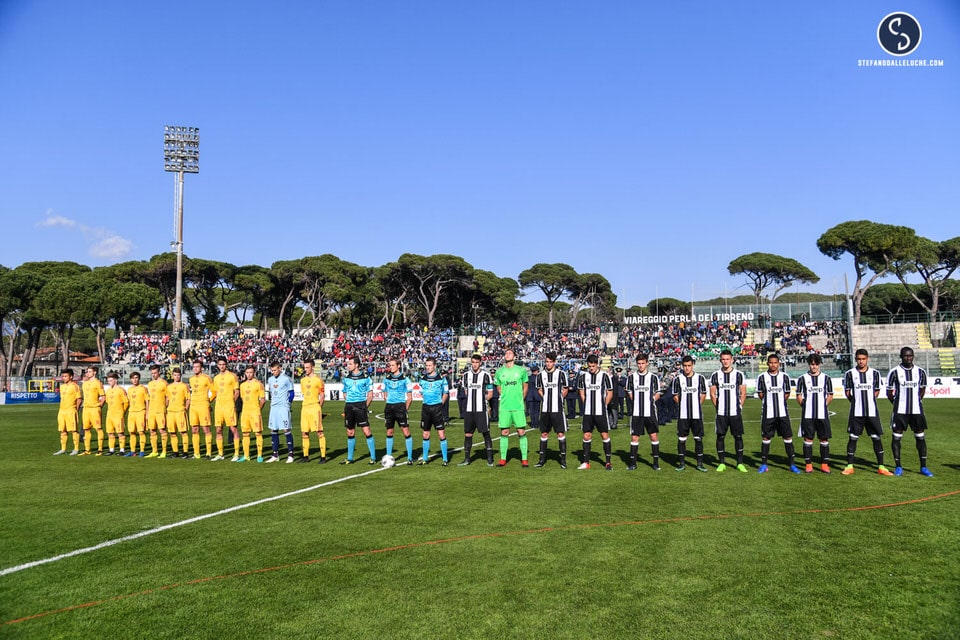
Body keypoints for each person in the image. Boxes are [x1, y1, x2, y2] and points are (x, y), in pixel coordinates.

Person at [841, 349, 893, 475]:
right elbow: (848, 392)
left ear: (867, 359)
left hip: (871, 412)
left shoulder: (875, 373)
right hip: (856, 412)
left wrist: (869, 400)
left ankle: (881, 466)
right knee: (853, 438)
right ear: (856, 359)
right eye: (859, 359)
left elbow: (876, 391)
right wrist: (856, 402)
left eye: (863, 359)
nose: (861, 361)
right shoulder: (850, 374)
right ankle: (849, 466)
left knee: (876, 438)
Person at [887, 346, 933, 477]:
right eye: (906, 356)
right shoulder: (894, 372)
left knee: (920, 437)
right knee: (896, 437)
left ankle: (923, 467)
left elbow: (922, 390)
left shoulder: (920, 372)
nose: (909, 358)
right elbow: (889, 392)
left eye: (911, 355)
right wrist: (896, 403)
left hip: (916, 411)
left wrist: (917, 401)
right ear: (901, 357)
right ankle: (898, 466)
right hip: (900, 411)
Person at [755, 354, 801, 474]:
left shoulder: (785, 377)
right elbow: (761, 394)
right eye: (771, 362)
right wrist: (768, 402)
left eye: (775, 362)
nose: (773, 365)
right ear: (767, 363)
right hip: (768, 413)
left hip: (782, 413)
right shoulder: (762, 377)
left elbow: (786, 394)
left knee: (788, 437)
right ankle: (764, 464)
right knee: (766, 437)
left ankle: (792, 464)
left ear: (779, 364)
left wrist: (779, 402)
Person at [709, 349, 748, 473]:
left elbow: (743, 393)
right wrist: (717, 407)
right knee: (720, 436)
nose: (725, 361)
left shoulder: (739, 375)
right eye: (723, 359)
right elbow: (712, 394)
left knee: (738, 437)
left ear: (732, 360)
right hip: (721, 413)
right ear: (721, 360)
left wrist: (740, 407)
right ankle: (721, 463)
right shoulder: (715, 375)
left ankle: (740, 463)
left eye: (727, 359)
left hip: (735, 412)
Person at [795, 353, 834, 473]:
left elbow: (830, 395)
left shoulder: (826, 378)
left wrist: (823, 405)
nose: (814, 367)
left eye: (816, 364)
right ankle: (808, 464)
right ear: (809, 365)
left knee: (824, 439)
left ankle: (824, 464)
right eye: (812, 364)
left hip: (822, 414)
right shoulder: (802, 379)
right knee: (808, 439)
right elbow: (798, 395)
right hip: (808, 415)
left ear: (819, 364)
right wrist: (805, 405)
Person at [577, 354, 613, 470]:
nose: (591, 368)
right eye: (589, 366)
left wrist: (604, 405)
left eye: (593, 366)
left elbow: (610, 392)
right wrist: (585, 402)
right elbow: (582, 392)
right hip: (588, 412)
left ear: (597, 365)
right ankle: (586, 462)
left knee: (604, 435)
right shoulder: (583, 376)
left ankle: (608, 462)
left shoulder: (604, 376)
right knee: (586, 435)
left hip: (600, 411)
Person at [495, 348, 530, 467]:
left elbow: (525, 386)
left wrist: (521, 398)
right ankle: (503, 459)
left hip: (518, 406)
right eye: (506, 353)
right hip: (505, 406)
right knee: (504, 432)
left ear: (514, 357)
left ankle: (524, 459)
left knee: (521, 431)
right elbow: (498, 386)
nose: (507, 354)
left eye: (510, 353)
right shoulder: (499, 372)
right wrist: (504, 395)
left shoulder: (521, 371)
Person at [533, 352, 569, 468]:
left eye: (550, 362)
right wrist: (545, 397)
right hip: (545, 410)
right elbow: (539, 389)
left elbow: (566, 389)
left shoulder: (561, 374)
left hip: (557, 409)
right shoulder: (540, 375)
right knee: (544, 433)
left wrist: (560, 398)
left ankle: (563, 461)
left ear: (554, 362)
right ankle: (541, 460)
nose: (548, 364)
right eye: (546, 362)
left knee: (560, 433)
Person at [672, 355, 707, 472]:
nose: (687, 368)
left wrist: (698, 404)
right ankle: (681, 463)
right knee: (682, 439)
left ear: (693, 365)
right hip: (683, 415)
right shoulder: (678, 379)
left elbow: (703, 393)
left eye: (689, 366)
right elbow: (675, 395)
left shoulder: (700, 378)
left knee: (698, 438)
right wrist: (682, 404)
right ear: (682, 366)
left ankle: (700, 463)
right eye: (685, 366)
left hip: (696, 414)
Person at [626, 353, 661, 471]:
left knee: (653, 436)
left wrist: (651, 400)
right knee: (635, 438)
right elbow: (629, 392)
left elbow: (658, 393)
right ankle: (633, 463)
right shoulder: (631, 378)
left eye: (643, 363)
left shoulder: (653, 377)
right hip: (636, 413)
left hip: (650, 412)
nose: (640, 366)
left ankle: (656, 463)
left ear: (647, 363)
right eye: (639, 363)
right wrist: (636, 401)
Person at [458, 354, 494, 466]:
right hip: (469, 410)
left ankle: (489, 459)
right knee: (468, 434)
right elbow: (466, 392)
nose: (474, 364)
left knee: (485, 433)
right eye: (473, 362)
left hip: (481, 410)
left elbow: (490, 394)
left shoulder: (486, 375)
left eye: (477, 362)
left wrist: (484, 402)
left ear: (480, 363)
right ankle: (467, 459)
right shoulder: (465, 376)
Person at [341, 355, 375, 464]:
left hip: (361, 406)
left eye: (350, 364)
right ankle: (350, 458)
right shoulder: (346, 378)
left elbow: (370, 395)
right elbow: (345, 392)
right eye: (348, 364)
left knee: (366, 431)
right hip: (349, 406)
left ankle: (373, 458)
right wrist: (349, 402)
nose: (348, 366)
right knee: (350, 432)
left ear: (357, 365)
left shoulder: (366, 378)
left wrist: (364, 407)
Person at [419, 356, 450, 465]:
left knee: (441, 434)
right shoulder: (422, 378)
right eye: (426, 365)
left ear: (434, 366)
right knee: (425, 434)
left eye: (430, 365)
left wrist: (441, 403)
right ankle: (425, 459)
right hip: (426, 408)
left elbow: (446, 392)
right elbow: (421, 391)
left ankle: (445, 459)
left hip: (436, 408)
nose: (427, 368)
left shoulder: (441, 378)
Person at [383, 357, 415, 464]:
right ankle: (388, 456)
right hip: (389, 407)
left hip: (400, 407)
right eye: (390, 365)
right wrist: (388, 401)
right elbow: (385, 393)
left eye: (393, 365)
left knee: (406, 432)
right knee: (389, 431)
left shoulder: (405, 379)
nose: (390, 367)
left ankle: (410, 457)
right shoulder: (387, 378)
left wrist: (404, 409)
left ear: (398, 366)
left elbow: (410, 397)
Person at [265, 361, 296, 463]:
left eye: (275, 370)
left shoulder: (286, 379)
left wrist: (288, 404)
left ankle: (291, 454)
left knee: (286, 429)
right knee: (274, 429)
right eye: (272, 370)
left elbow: (291, 393)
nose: (273, 372)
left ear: (279, 369)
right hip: (274, 407)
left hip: (283, 407)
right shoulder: (270, 379)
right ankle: (275, 455)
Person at [297, 358, 326, 463]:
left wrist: (319, 408)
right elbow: (305, 394)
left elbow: (322, 395)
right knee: (304, 432)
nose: (306, 369)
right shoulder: (303, 380)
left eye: (308, 367)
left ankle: (323, 457)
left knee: (319, 432)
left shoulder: (318, 380)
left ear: (313, 367)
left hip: (314, 407)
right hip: (305, 407)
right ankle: (306, 456)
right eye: (305, 367)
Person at [213, 357, 240, 461]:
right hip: (219, 407)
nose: (222, 366)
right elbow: (215, 393)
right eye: (220, 364)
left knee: (233, 429)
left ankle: (236, 454)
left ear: (226, 365)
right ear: (217, 365)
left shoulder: (232, 376)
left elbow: (236, 392)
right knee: (218, 429)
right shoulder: (216, 378)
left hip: (229, 406)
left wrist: (231, 402)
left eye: (223, 364)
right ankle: (220, 454)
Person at [188, 360, 216, 459]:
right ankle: (196, 453)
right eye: (194, 367)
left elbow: (214, 391)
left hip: (203, 405)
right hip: (193, 406)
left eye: (197, 367)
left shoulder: (207, 378)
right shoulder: (191, 379)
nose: (195, 368)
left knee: (206, 429)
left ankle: (208, 453)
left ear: (201, 368)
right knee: (194, 429)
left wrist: (208, 401)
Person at [238, 365, 266, 462]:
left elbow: (263, 400)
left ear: (254, 373)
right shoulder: (242, 385)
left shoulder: (259, 384)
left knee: (258, 433)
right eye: (247, 372)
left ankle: (259, 455)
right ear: (245, 373)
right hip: (245, 412)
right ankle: (246, 455)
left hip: (255, 412)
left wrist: (258, 410)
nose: (249, 374)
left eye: (251, 372)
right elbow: (242, 398)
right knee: (245, 433)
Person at [53, 369, 82, 456]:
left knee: (74, 430)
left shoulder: (75, 386)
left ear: (71, 377)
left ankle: (76, 449)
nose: (64, 378)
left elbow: (79, 399)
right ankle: (63, 449)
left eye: (66, 376)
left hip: (71, 411)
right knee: (63, 430)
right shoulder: (62, 387)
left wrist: (75, 409)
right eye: (63, 376)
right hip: (62, 411)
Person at [80, 366, 105, 455]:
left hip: (95, 409)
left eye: (90, 371)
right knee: (86, 429)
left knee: (98, 428)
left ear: (95, 372)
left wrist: (99, 407)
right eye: (87, 371)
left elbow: (103, 396)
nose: (88, 373)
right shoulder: (84, 384)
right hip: (86, 408)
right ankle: (87, 450)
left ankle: (100, 449)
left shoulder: (98, 383)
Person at [165, 367, 190, 458]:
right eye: (175, 375)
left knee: (183, 432)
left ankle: (185, 452)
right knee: (172, 432)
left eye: (178, 375)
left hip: (180, 411)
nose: (176, 377)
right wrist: (166, 407)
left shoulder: (184, 386)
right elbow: (167, 398)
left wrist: (185, 409)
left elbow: (188, 399)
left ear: (180, 376)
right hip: (171, 412)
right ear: (172, 376)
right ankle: (175, 452)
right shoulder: (169, 387)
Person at [103, 371, 128, 456]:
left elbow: (126, 402)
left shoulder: (121, 390)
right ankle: (111, 449)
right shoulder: (108, 391)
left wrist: (122, 412)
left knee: (120, 432)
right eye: (108, 380)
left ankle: (122, 450)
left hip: (118, 414)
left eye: (110, 380)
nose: (109, 382)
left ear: (115, 380)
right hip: (110, 414)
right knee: (110, 432)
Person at [145, 364, 168, 458]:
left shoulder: (164, 383)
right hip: (151, 411)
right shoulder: (150, 384)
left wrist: (165, 407)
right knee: (152, 431)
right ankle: (154, 451)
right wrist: (147, 411)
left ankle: (164, 451)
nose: (154, 375)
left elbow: (168, 397)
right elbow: (148, 399)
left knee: (162, 430)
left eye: (155, 373)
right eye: (152, 373)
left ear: (159, 372)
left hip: (160, 410)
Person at [125, 372, 148, 457]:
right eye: (133, 378)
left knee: (141, 432)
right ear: (131, 379)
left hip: (140, 412)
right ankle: (132, 451)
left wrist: (147, 413)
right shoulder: (129, 389)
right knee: (132, 432)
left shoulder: (143, 388)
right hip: (132, 413)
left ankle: (142, 451)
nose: (134, 380)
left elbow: (147, 401)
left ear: (139, 378)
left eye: (136, 378)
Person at [524, 363, 542, 432]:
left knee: (531, 410)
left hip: (530, 396)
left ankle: (533, 423)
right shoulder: (538, 378)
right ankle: (536, 423)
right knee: (537, 410)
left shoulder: (528, 378)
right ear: (536, 371)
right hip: (537, 395)